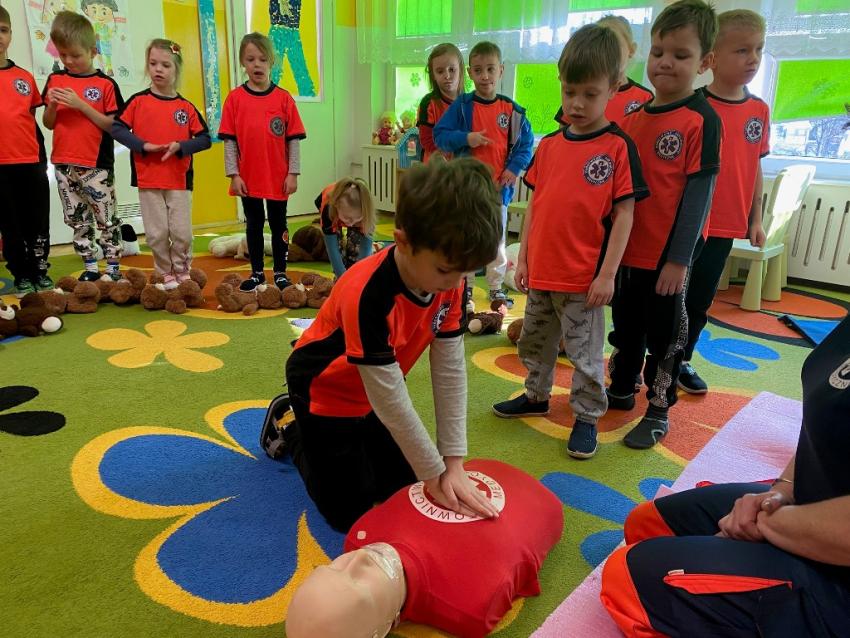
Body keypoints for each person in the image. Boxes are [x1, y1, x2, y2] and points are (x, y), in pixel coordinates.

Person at [283, 158, 503, 532]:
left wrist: (452, 463)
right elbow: (390, 399)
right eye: (446, 271)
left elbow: (450, 371)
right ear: (403, 242)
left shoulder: (450, 277)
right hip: (323, 391)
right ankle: (290, 426)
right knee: (349, 513)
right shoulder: (367, 293)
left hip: (372, 395)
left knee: (404, 489)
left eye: (465, 273)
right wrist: (434, 473)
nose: (456, 284)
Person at [600, 314, 850, 637]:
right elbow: (824, 425)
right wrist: (780, 492)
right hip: (811, 503)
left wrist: (768, 523)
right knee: (647, 524)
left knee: (626, 581)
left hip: (839, 579)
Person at [492, 24, 647, 460]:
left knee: (584, 355)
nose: (576, 103)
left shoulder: (617, 148)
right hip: (542, 272)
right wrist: (524, 259)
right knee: (533, 342)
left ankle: (586, 416)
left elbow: (625, 215)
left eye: (590, 94)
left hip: (583, 280)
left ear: (613, 88)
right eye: (569, 91)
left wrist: (607, 275)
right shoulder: (550, 145)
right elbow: (536, 205)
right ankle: (536, 395)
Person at [606, 0, 721, 449]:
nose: (665, 62)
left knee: (665, 335)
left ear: (705, 62)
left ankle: (658, 408)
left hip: (668, 258)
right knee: (626, 326)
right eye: (658, 52)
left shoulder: (701, 118)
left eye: (680, 54)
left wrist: (678, 261)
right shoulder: (632, 118)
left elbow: (698, 197)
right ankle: (622, 386)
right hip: (628, 252)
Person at [285, 459, 564, 638]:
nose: (358, 558)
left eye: (334, 566)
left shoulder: (361, 535)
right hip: (541, 503)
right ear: (383, 629)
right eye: (357, 583)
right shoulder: (471, 608)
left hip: (477, 469)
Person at [678, 10, 770, 394]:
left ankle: (682, 360)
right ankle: (649, 356)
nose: (753, 59)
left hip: (725, 225)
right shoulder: (694, 106)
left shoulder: (758, 110)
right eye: (742, 50)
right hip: (687, 225)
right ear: (713, 58)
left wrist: (756, 218)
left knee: (700, 299)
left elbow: (754, 167)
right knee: (670, 295)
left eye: (759, 49)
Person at [434, 41, 534, 304]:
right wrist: (467, 138)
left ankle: (495, 286)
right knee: (466, 238)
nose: (485, 76)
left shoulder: (512, 111)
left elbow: (526, 145)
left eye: (491, 69)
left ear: (501, 70)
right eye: (478, 70)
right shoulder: (462, 106)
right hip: (467, 190)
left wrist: (513, 169)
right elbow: (440, 135)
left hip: (498, 191)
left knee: (496, 241)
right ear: (470, 73)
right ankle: (465, 287)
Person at [111, 39, 211, 289]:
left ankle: (182, 269)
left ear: (176, 69)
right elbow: (117, 128)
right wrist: (143, 145)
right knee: (156, 233)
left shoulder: (185, 107)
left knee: (181, 232)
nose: (158, 69)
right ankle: (164, 272)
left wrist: (181, 146)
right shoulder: (138, 101)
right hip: (148, 179)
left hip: (179, 179)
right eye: (153, 63)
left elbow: (205, 139)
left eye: (165, 65)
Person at [219, 32, 306, 292]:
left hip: (278, 177)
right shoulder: (235, 99)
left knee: (279, 224)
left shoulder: (284, 99)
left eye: (262, 59)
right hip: (248, 178)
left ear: (272, 62)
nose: (257, 64)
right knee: (254, 224)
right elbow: (229, 141)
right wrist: (234, 175)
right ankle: (257, 272)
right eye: (250, 59)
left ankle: (280, 272)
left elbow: (293, 140)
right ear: (242, 63)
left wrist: (293, 173)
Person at [41, 10, 124, 282]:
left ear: (93, 51)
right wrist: (53, 105)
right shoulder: (55, 80)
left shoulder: (105, 84)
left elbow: (113, 126)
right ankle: (90, 267)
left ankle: (113, 268)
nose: (68, 61)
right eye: (63, 54)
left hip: (96, 165)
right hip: (64, 163)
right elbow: (49, 123)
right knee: (76, 218)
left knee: (106, 217)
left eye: (75, 55)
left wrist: (81, 105)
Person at [0, 6, 52, 296]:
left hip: (30, 161)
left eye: (3, 30)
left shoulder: (24, 77)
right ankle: (21, 274)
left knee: (37, 219)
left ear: (10, 34)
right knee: (10, 223)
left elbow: (29, 119)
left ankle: (40, 270)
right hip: (1, 165)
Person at [554, 14, 653, 128]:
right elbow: (563, 133)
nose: (606, 54)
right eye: (599, 47)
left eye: (591, 94)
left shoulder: (645, 97)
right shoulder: (576, 95)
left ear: (631, 50)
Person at [315, 178, 376, 280]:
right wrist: (343, 279)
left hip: (345, 214)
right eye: (347, 218)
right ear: (337, 206)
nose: (351, 223)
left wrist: (359, 276)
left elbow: (365, 249)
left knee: (355, 246)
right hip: (331, 212)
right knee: (338, 245)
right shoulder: (328, 211)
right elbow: (332, 250)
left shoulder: (366, 213)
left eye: (356, 218)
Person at [417, 42, 464, 163]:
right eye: (440, 71)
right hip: (436, 168)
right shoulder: (428, 103)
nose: (447, 76)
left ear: (460, 70)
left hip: (461, 167)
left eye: (452, 70)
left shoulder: (469, 103)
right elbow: (426, 140)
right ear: (433, 75)